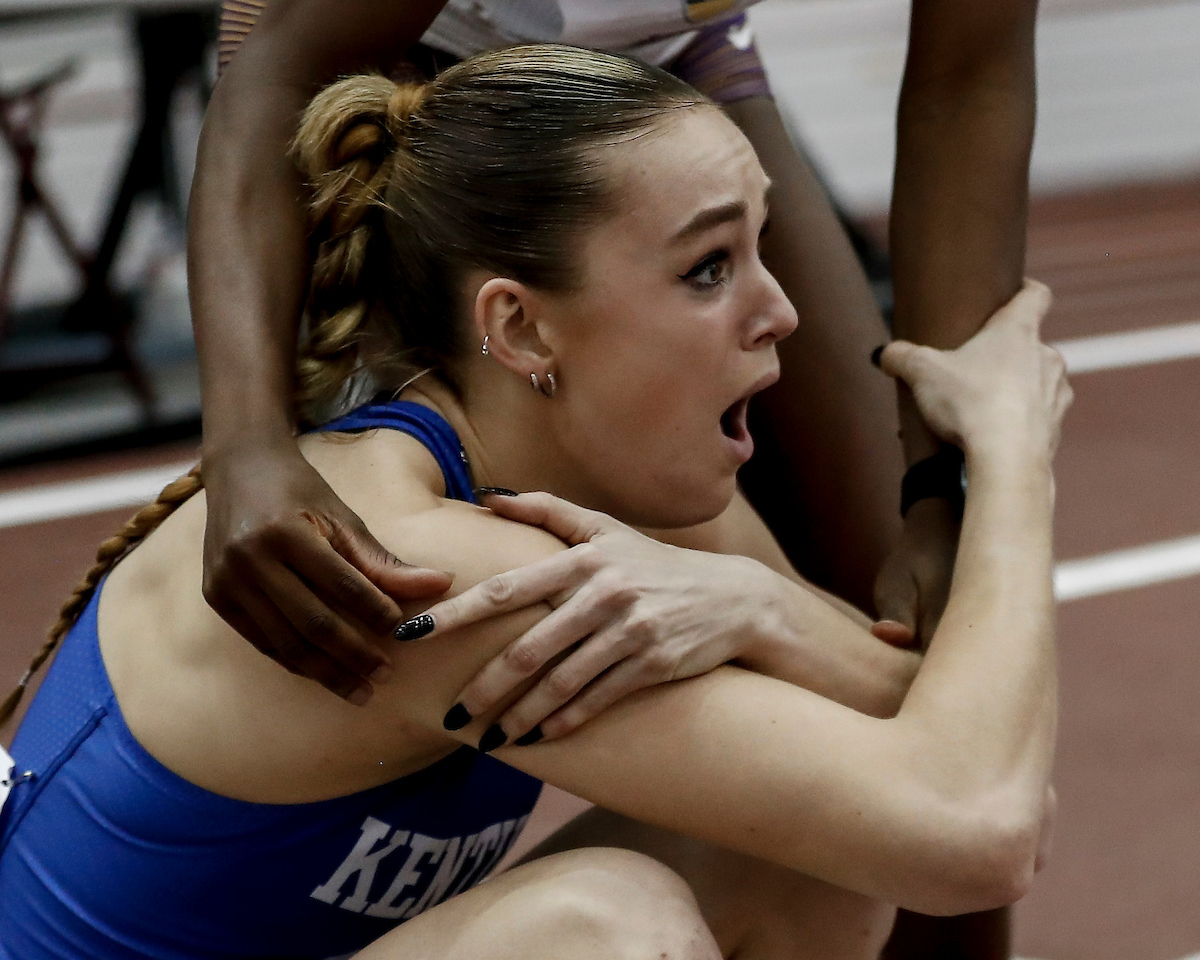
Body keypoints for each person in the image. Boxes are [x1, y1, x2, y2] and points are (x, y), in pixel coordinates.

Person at [0, 47, 1067, 959]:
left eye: (758, 249)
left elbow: (950, 743)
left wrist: (763, 607)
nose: (780, 311)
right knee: (605, 929)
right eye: (707, 268)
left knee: (801, 849)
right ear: (520, 331)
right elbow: (977, 825)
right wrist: (1012, 454)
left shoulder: (636, 505)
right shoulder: (413, 559)